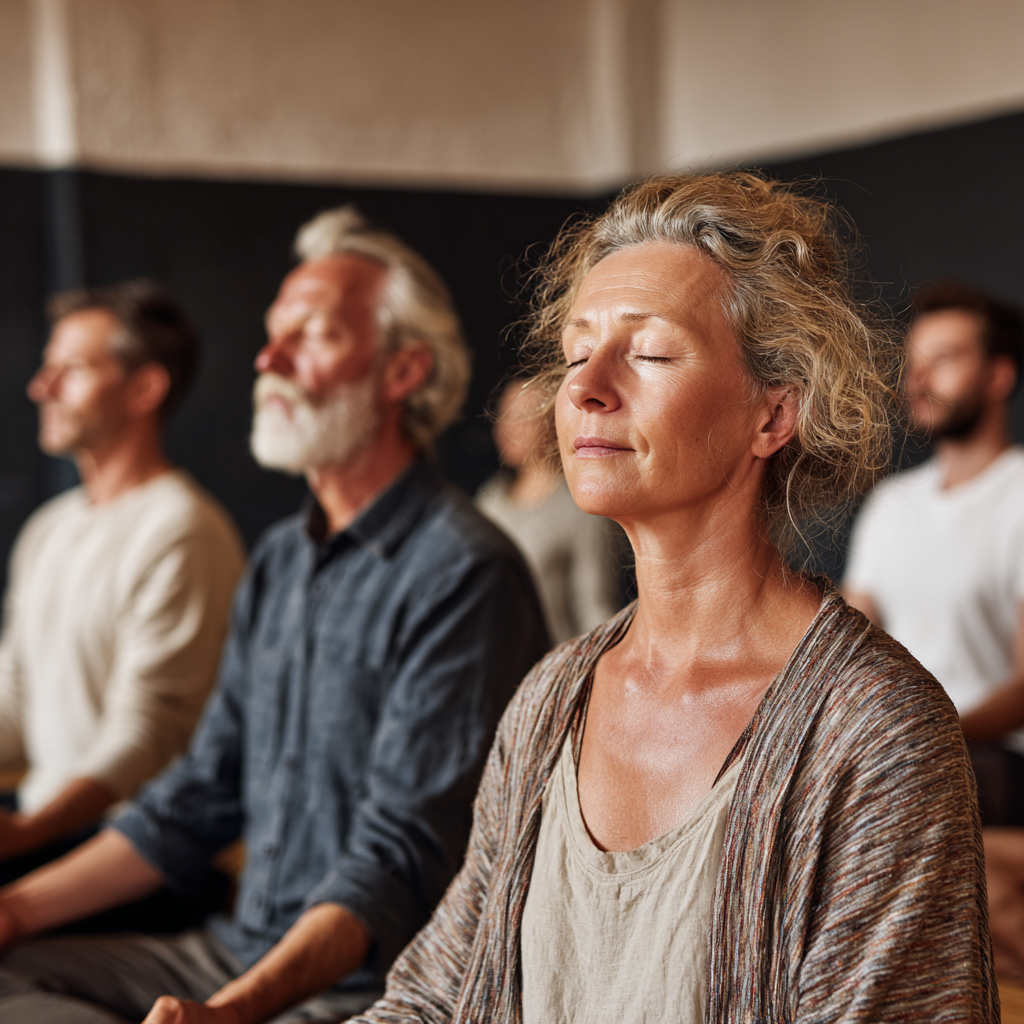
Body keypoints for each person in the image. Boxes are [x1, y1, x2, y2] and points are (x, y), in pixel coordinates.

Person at [351, 173, 995, 1024]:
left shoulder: (874, 733)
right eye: (577, 353)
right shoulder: (551, 700)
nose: (585, 387)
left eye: (648, 353)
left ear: (773, 414)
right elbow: (435, 997)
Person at [0, 208, 548, 1023]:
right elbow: (197, 796)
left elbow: (396, 864)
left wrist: (230, 1014)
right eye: (270, 334)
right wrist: (15, 910)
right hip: (234, 946)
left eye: (313, 335)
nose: (268, 360)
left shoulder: (464, 572)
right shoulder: (282, 560)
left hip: (374, 986)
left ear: (402, 372)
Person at [0, 280, 245, 879]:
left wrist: (28, 834)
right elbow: (13, 704)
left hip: (139, 849)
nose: (42, 387)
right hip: (48, 826)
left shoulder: (182, 529)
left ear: (145, 388)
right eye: (45, 368)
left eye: (72, 370)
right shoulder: (49, 530)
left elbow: (148, 735)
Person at [843, 283, 1024, 825]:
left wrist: (928, 731)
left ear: (999, 376)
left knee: (900, 789)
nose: (918, 380)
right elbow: (851, 644)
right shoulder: (890, 504)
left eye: (942, 360)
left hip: (995, 755)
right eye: (914, 363)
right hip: (897, 746)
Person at [477, 376, 621, 643]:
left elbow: (593, 605)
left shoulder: (578, 509)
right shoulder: (489, 504)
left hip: (551, 666)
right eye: (503, 416)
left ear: (548, 423)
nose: (507, 428)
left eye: (520, 417)